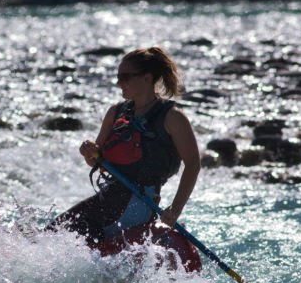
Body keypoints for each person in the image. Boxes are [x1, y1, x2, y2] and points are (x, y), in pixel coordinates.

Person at [47, 46, 201, 245]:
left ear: (147, 78)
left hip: (140, 202)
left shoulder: (173, 118)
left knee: (81, 240)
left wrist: (175, 210)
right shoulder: (116, 112)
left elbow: (193, 164)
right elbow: (96, 161)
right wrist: (89, 152)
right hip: (109, 196)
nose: (119, 83)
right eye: (118, 77)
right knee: (53, 232)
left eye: (125, 77)